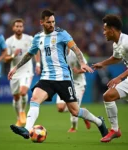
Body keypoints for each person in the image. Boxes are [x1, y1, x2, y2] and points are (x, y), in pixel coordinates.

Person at [8, 9, 108, 140]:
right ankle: (27, 129)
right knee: (34, 99)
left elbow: (76, 49)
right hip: (46, 78)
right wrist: (16, 67)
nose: (52, 24)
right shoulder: (38, 37)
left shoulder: (62, 34)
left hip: (63, 78)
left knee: (75, 111)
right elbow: (29, 54)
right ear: (41, 22)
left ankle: (99, 122)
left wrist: (82, 63)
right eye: (48, 22)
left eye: (53, 21)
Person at [92, 14, 128, 142]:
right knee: (108, 96)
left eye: (105, 29)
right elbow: (116, 58)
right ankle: (115, 129)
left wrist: (119, 77)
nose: (103, 32)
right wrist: (102, 63)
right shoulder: (116, 44)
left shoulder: (126, 42)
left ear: (112, 30)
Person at [4, 18, 40, 127]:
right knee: (16, 97)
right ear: (13, 28)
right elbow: (5, 59)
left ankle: (22, 111)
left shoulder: (29, 39)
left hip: (27, 70)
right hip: (14, 72)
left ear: (23, 28)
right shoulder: (9, 41)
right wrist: (14, 55)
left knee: (23, 92)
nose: (19, 28)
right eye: (17, 26)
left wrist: (38, 64)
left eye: (21, 26)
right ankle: (19, 117)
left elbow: (36, 51)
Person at [56, 49, 91, 132]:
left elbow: (86, 68)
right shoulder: (58, 54)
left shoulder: (77, 54)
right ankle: (82, 111)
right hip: (64, 83)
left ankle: (73, 128)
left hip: (78, 84)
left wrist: (78, 71)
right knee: (60, 108)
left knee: (74, 111)